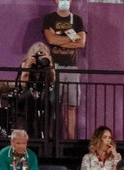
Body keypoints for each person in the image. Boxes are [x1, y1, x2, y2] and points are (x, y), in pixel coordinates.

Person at [42, 0, 87, 139]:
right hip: (54, 68)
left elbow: (81, 42)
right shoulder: (50, 18)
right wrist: (70, 39)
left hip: (71, 68)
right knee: (51, 105)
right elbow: (51, 40)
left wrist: (59, 37)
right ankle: (49, 138)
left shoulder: (77, 20)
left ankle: (70, 140)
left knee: (71, 106)